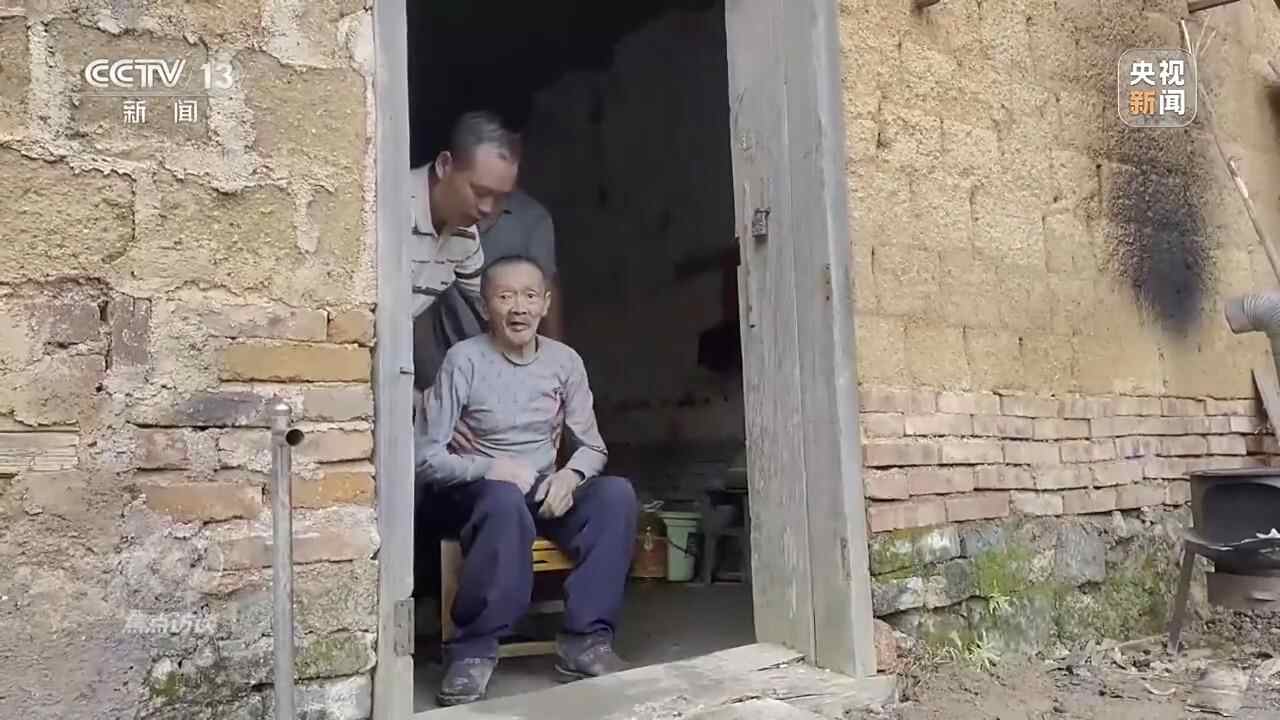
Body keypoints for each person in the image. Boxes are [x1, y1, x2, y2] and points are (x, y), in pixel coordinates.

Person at [415, 255, 637, 706]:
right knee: (502, 501)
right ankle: (473, 651)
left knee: (616, 495)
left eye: (530, 296)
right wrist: (490, 468)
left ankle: (586, 641)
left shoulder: (564, 362)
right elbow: (425, 459)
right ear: (485, 307)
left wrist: (571, 475)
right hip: (474, 495)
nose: (519, 308)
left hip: (541, 492)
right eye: (505, 296)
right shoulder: (464, 361)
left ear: (545, 303)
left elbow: (592, 446)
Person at [415, 187, 566, 393]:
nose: (486, 206)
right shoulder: (441, 212)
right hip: (436, 355)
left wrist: (551, 366)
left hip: (508, 365)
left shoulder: (532, 218)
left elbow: (546, 285)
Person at [406, 110, 520, 325]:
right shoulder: (387, 210)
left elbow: (492, 306)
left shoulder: (466, 235)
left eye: (500, 198)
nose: (488, 208)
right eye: (480, 192)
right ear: (444, 165)